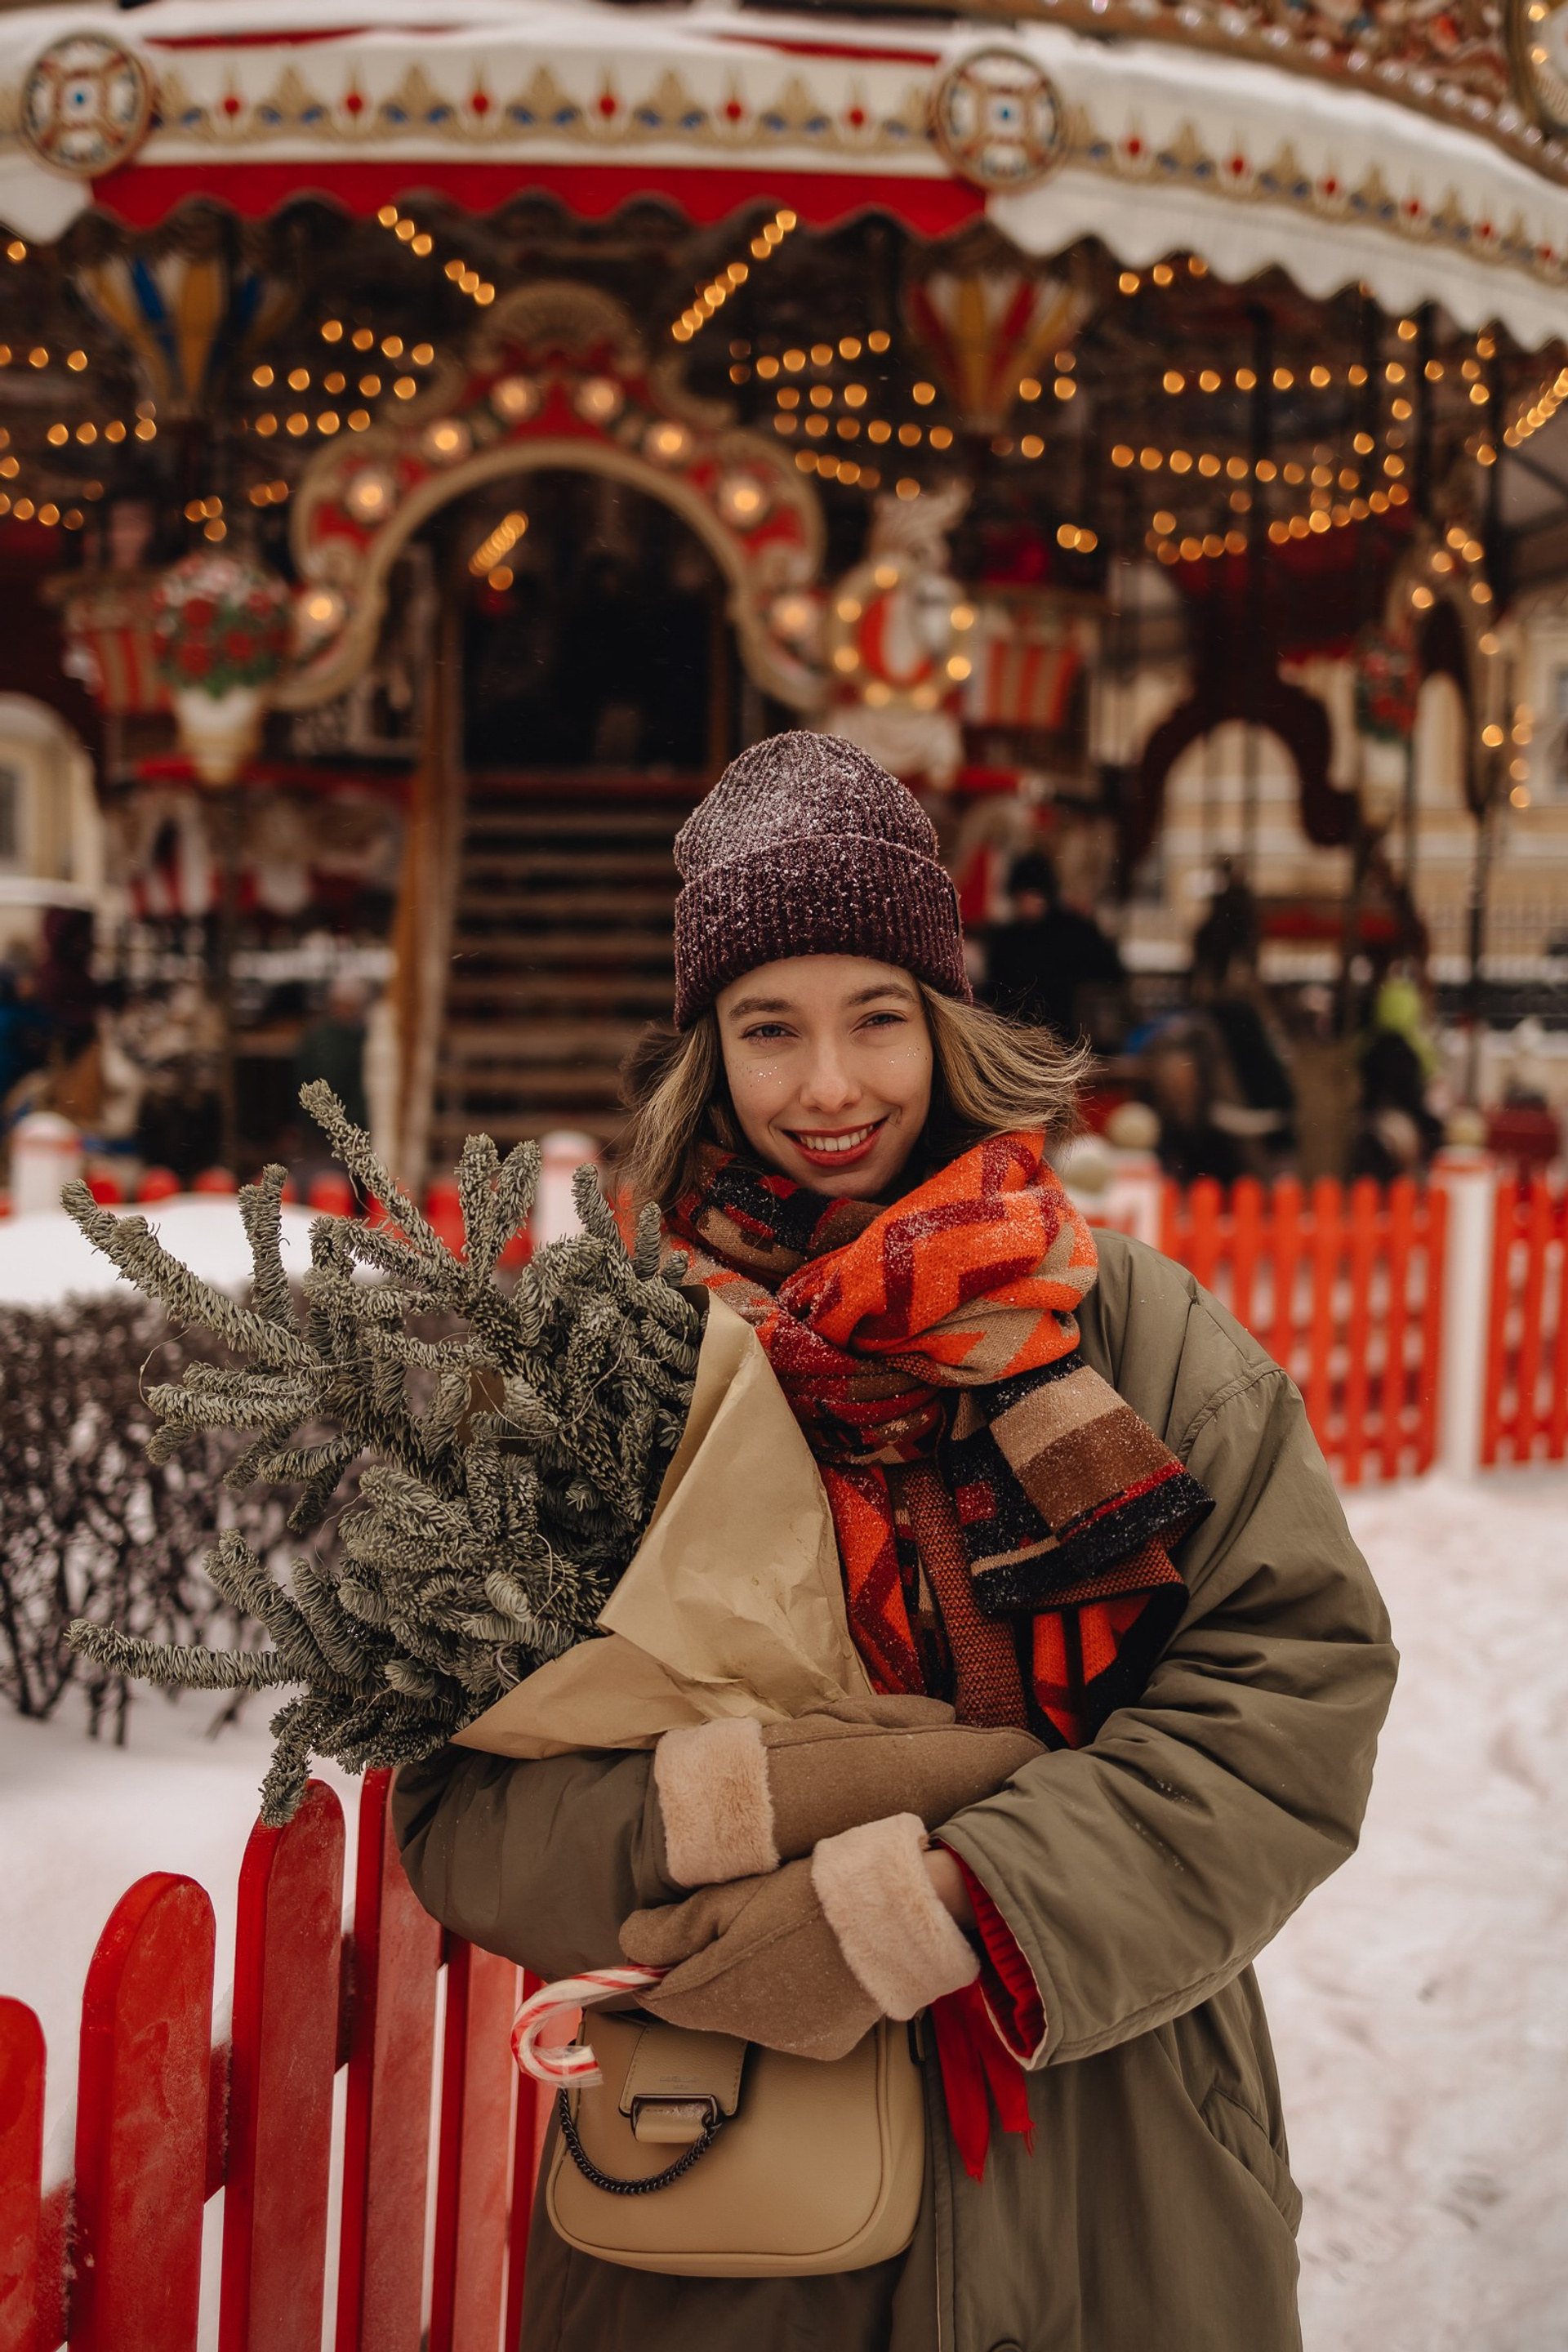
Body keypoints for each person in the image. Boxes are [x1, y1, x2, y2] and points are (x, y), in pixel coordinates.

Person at [394, 733, 1396, 2352]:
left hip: (1114, 2159)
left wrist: (953, 1901)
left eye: (877, 1018)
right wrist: (734, 1840)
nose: (829, 1087)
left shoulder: (1122, 1327)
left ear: (946, 1024)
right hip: (729, 2217)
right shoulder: (619, 1359)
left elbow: (1290, 1690)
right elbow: (464, 1798)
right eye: (767, 1029)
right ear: (707, 1053)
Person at [982, 849, 1125, 1046]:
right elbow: (993, 991)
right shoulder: (1007, 939)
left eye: (1033, 895)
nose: (1028, 903)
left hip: (1065, 1038)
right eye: (1022, 896)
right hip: (1016, 1039)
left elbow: (1110, 970)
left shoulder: (1071, 931)